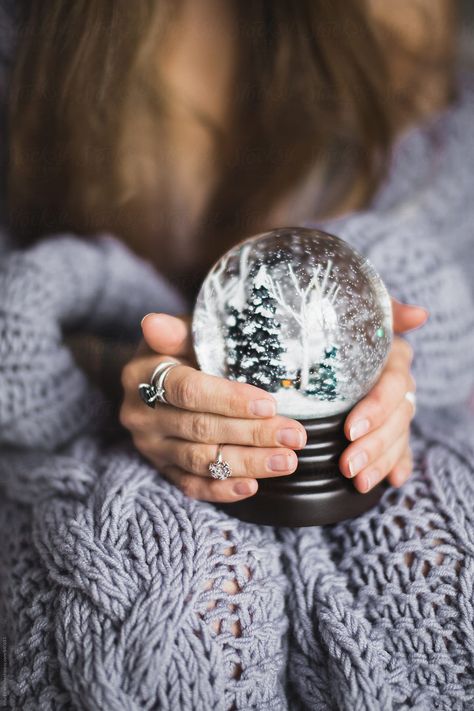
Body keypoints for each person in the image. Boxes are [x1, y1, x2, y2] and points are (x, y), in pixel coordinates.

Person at [0, 1, 473, 709]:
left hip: (362, 441)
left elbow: (444, 260)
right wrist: (120, 374)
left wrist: (387, 348)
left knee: (431, 563)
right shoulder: (28, 39)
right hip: (71, 434)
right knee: (177, 605)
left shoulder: (408, 26)